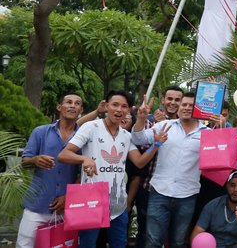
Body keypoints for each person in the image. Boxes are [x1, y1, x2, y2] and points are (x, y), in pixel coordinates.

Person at [57, 91, 161, 248]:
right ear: (106, 106)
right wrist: (84, 159)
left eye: (124, 106)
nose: (119, 110)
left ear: (129, 111)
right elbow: (63, 154)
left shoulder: (126, 135)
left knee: (119, 244)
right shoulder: (91, 127)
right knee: (88, 245)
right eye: (115, 105)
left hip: (118, 204)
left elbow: (139, 162)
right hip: (91, 201)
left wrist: (156, 144)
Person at [132, 92, 210, 248]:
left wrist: (222, 126)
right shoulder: (164, 126)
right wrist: (141, 119)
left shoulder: (207, 134)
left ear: (198, 109)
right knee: (153, 241)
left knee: (178, 242)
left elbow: (222, 155)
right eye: (184, 104)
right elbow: (137, 139)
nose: (187, 108)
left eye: (191, 105)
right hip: (159, 193)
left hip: (188, 195)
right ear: (179, 107)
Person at [16, 93, 83, 248]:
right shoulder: (40, 132)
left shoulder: (83, 137)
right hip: (37, 204)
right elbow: (24, 161)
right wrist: (35, 159)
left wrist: (69, 196)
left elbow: (84, 173)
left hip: (66, 208)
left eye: (77, 103)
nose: (73, 105)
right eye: (68, 102)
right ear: (59, 106)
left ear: (81, 109)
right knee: (24, 245)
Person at [190, 171, 237, 248]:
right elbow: (197, 232)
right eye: (232, 185)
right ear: (227, 185)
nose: (235, 189)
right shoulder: (213, 205)